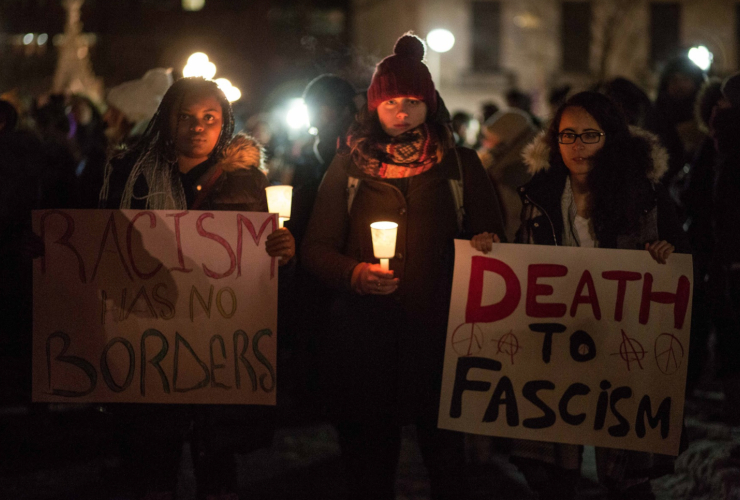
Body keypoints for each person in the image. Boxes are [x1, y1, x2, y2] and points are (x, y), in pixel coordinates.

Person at [301, 33, 506, 500]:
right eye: (392, 101)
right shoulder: (348, 167)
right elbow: (316, 248)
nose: (403, 111)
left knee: (448, 465)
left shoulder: (460, 165)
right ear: (374, 106)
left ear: (430, 105)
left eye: (414, 101)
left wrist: (485, 244)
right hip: (366, 341)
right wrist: (354, 274)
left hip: (442, 337)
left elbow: (494, 240)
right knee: (369, 466)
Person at [471, 91, 688, 499]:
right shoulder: (540, 194)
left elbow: (681, 255)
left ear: (611, 138)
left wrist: (666, 252)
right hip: (556, 347)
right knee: (552, 472)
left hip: (623, 347)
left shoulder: (645, 196)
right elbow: (522, 260)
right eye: (568, 135)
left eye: (591, 135)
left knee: (626, 474)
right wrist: (491, 248)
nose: (578, 146)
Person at [99, 76, 295, 500]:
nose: (197, 126)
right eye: (185, 116)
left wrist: (283, 250)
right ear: (166, 119)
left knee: (216, 468)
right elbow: (101, 246)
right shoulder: (130, 176)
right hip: (149, 343)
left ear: (224, 122)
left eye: (210, 117)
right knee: (152, 467)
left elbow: (266, 268)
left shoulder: (248, 183)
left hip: (217, 349)